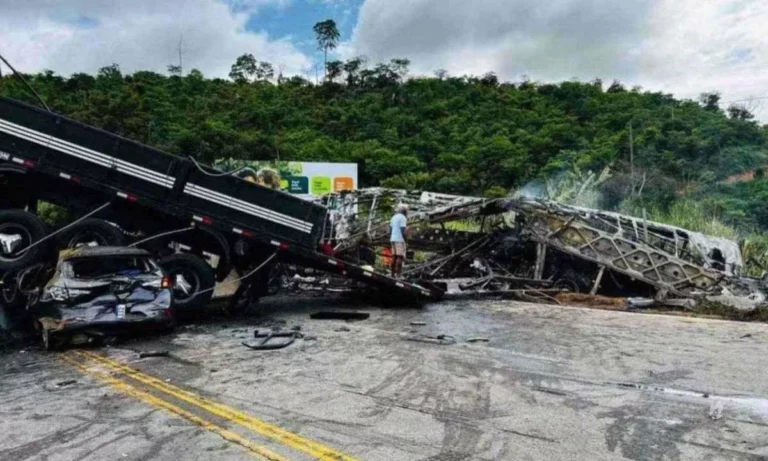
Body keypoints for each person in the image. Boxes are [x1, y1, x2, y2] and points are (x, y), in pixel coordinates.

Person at [390, 204, 408, 278]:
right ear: (404, 212)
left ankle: (392, 274)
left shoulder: (393, 217)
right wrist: (405, 240)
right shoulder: (403, 218)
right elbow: (402, 230)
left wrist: (392, 237)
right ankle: (399, 275)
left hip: (393, 238)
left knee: (394, 256)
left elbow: (390, 229)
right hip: (399, 239)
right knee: (400, 257)